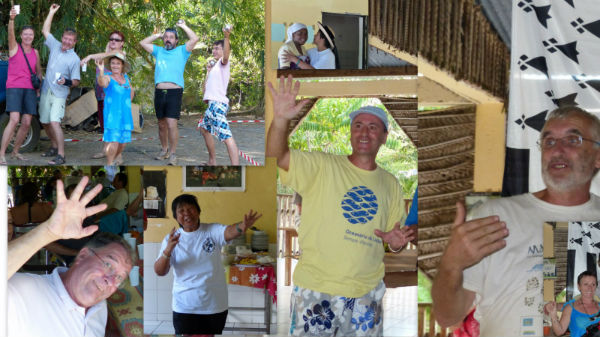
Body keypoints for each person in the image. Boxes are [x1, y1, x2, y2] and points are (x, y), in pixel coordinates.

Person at [431, 106, 600, 337]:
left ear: (597, 157)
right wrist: (451, 265)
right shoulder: (493, 218)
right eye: (548, 142)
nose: (557, 150)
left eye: (572, 139)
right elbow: (447, 317)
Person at [266, 75, 415, 336]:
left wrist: (395, 241)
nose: (364, 131)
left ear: (384, 136)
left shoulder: (391, 184)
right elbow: (276, 156)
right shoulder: (322, 166)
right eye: (357, 125)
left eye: (372, 126)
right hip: (317, 290)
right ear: (350, 132)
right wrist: (280, 120)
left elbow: (395, 241)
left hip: (367, 294)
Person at [7, 177, 135, 337]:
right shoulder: (22, 294)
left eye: (119, 278)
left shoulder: (100, 309)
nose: (110, 280)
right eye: (109, 265)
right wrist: (47, 233)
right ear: (84, 255)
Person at [154, 194, 261, 335]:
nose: (186, 214)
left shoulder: (212, 230)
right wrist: (168, 250)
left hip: (213, 304)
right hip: (185, 304)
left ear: (198, 211)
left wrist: (242, 227)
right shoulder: (170, 239)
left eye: (190, 209)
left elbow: (229, 232)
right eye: (181, 211)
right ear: (175, 216)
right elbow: (159, 271)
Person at [140, 22, 199, 166]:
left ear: (176, 40)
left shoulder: (182, 51)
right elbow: (142, 43)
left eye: (171, 37)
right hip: (160, 92)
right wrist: (158, 35)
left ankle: (173, 153)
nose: (168, 39)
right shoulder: (159, 51)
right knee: (161, 124)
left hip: (175, 92)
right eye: (166, 37)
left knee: (172, 124)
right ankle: (164, 150)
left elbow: (195, 39)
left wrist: (184, 26)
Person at [39, 3, 81, 165]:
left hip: (59, 94)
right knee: (44, 121)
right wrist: (51, 12)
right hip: (46, 90)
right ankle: (54, 146)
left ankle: (61, 156)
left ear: (74, 42)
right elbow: (45, 31)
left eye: (70, 40)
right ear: (62, 38)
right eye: (65, 38)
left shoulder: (74, 59)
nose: (67, 42)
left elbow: (76, 82)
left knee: (55, 122)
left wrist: (67, 81)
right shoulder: (55, 45)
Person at [0, 6, 43, 164]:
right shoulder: (14, 48)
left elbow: (38, 72)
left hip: (30, 90)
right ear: (21, 36)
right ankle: (2, 154)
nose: (28, 36)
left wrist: (38, 89)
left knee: (26, 122)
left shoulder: (36, 52)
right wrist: (11, 20)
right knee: (14, 119)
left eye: (30, 34)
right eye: (25, 34)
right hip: (14, 88)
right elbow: (10, 34)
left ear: (33, 36)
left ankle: (16, 152)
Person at [81, 31, 127, 160]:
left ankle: (118, 155)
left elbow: (109, 55)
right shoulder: (106, 55)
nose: (113, 41)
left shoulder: (120, 54)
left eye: (117, 40)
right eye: (111, 39)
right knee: (105, 125)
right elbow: (105, 57)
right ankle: (106, 150)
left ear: (122, 44)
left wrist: (89, 56)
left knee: (114, 125)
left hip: (113, 97)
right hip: (101, 95)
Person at [197, 27, 239, 165]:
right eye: (213, 48)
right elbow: (205, 91)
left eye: (217, 48)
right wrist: (208, 72)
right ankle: (212, 161)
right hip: (211, 105)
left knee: (227, 137)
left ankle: (235, 167)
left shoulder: (223, 63)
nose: (214, 51)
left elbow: (226, 56)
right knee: (203, 128)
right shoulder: (214, 68)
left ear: (223, 50)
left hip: (217, 105)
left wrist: (227, 37)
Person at [95, 54, 134, 165]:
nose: (115, 65)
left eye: (118, 63)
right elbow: (102, 82)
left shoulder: (125, 77)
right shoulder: (107, 77)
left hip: (125, 114)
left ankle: (115, 158)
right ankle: (109, 163)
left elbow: (131, 91)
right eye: (113, 63)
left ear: (122, 65)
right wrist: (101, 71)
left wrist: (126, 103)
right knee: (114, 141)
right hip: (113, 115)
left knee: (123, 143)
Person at [545, 271, 600, 337]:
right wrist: (553, 315)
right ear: (579, 286)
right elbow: (559, 332)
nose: (590, 288)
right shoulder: (570, 307)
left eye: (593, 284)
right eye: (586, 284)